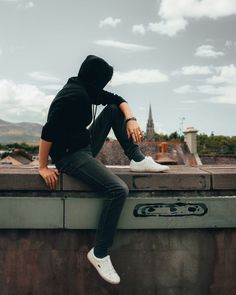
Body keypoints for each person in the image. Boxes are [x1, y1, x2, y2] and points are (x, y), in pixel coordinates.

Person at [38, 55, 169, 284]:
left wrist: (131, 119)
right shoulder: (73, 96)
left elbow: (119, 100)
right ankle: (99, 253)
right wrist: (42, 167)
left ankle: (136, 158)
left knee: (112, 109)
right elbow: (48, 131)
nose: (106, 86)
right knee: (118, 190)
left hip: (83, 143)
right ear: (97, 79)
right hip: (70, 156)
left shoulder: (86, 87)